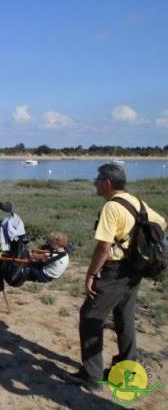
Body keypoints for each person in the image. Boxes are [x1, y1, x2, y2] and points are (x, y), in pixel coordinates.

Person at [66, 164, 167, 391]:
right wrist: (136, 246)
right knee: (124, 316)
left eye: (98, 179)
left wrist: (91, 274)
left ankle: (91, 376)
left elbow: (103, 246)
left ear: (108, 183)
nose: (95, 182)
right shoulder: (135, 201)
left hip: (115, 271)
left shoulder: (112, 207)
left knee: (90, 316)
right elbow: (162, 223)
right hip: (135, 269)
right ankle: (126, 369)